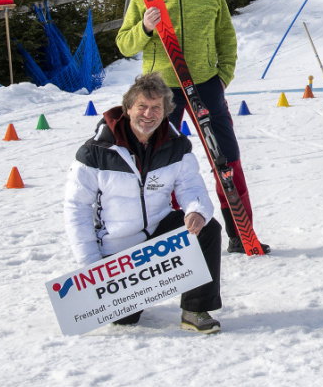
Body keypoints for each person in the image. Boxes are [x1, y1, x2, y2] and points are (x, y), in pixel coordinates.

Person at [116, 0, 269, 255]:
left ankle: (241, 234)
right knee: (163, 162)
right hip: (159, 90)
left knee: (227, 157)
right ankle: (174, 234)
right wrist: (145, 27)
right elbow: (124, 44)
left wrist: (222, 77)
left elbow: (226, 36)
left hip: (204, 83)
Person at [64, 74, 224, 333]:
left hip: (157, 234)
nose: (148, 114)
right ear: (128, 109)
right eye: (142, 106)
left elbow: (191, 187)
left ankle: (195, 310)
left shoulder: (176, 146)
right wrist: (91, 264)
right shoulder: (96, 151)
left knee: (206, 229)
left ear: (165, 112)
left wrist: (196, 211)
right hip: (118, 248)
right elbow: (76, 209)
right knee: (125, 318)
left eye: (156, 108)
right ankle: (131, 296)